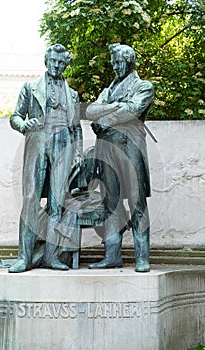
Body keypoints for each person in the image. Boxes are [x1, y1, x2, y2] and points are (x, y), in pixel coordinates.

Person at [9, 44, 83, 272]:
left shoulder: (72, 95)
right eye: (53, 62)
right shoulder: (31, 88)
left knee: (57, 202)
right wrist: (24, 124)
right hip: (37, 141)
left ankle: (51, 256)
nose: (57, 66)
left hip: (63, 144)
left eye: (61, 63)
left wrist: (78, 152)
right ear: (46, 61)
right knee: (31, 198)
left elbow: (77, 128)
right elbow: (15, 116)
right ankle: (24, 257)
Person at [86, 43, 154, 272]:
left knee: (136, 202)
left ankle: (142, 257)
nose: (115, 66)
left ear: (129, 61)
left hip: (130, 146)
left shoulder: (144, 86)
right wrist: (116, 105)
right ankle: (112, 255)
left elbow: (133, 109)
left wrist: (106, 119)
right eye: (113, 62)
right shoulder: (109, 89)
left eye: (119, 62)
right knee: (110, 203)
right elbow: (91, 111)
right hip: (106, 149)